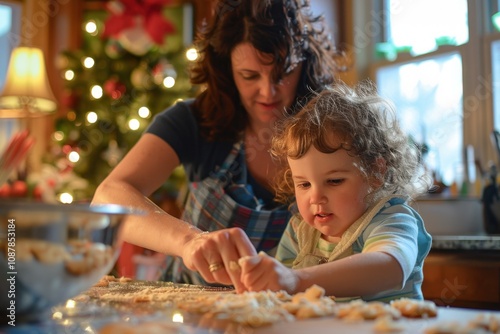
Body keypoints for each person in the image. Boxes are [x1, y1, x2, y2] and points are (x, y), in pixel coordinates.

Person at [91, 0, 343, 292]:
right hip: (189, 309)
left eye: (282, 74)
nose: (267, 91)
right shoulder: (193, 121)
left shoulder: (334, 128)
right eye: (250, 76)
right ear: (226, 68)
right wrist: (189, 241)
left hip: (293, 313)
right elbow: (108, 196)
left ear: (305, 65)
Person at [238, 80, 433, 302]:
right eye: (304, 184)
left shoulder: (390, 219)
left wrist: (296, 281)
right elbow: (281, 294)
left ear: (376, 173)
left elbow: (390, 267)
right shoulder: (298, 232)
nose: (315, 197)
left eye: (334, 181)